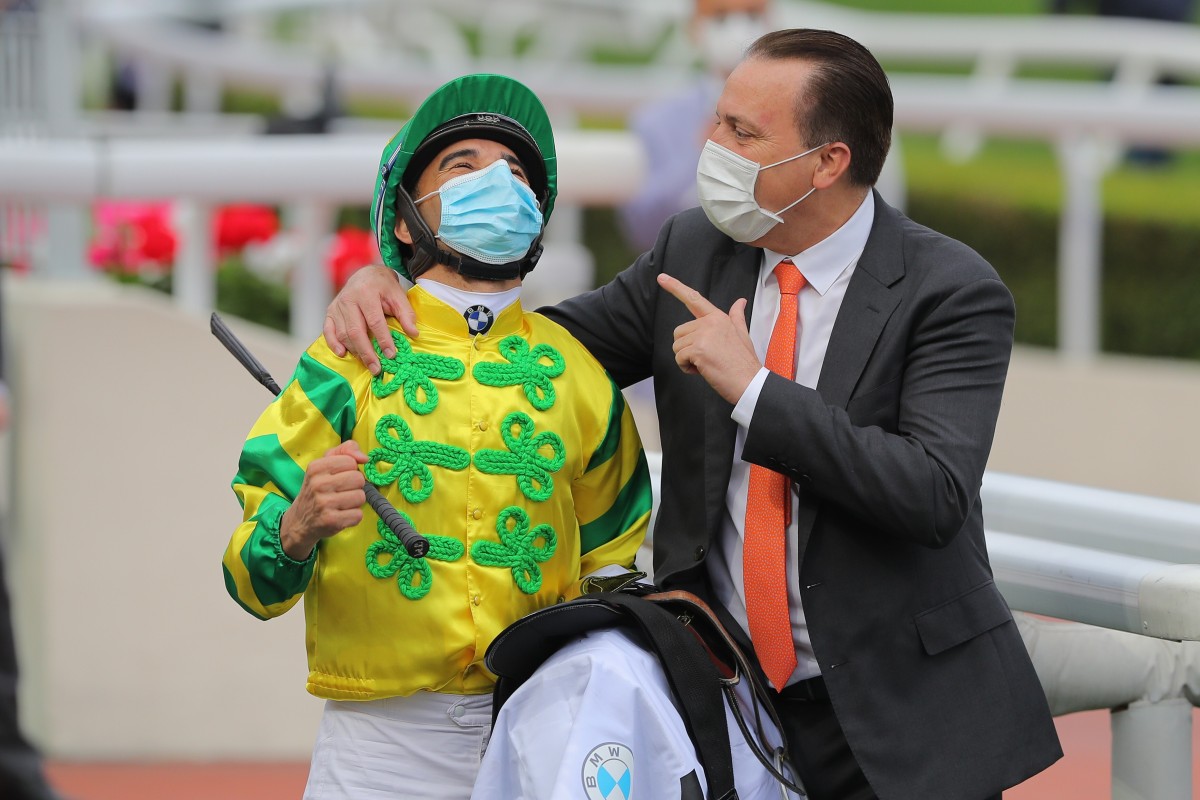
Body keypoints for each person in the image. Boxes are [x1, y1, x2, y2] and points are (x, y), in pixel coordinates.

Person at [323, 30, 1063, 799]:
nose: (712, 145)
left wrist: (755, 391)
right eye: (719, 120)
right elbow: (539, 358)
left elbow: (932, 492)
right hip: (726, 691)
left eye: (743, 133)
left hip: (898, 714)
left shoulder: (950, 290)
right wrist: (404, 280)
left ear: (828, 162)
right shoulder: (698, 246)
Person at [222, 73, 652, 800]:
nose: (500, 183)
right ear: (403, 220)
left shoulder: (580, 376)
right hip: (379, 750)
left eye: (516, 173)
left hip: (544, 732)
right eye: (464, 166)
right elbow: (247, 582)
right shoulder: (345, 356)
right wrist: (294, 529)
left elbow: (619, 568)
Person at [617, 0, 774, 254]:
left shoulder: (801, 109)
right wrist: (701, 153)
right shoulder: (658, 120)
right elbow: (642, 227)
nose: (738, 28)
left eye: (752, 14)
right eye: (720, 17)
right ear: (693, 28)